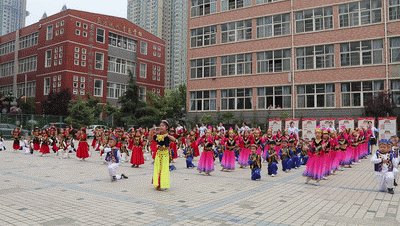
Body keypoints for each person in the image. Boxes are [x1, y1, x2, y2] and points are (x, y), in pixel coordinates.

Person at [150, 120, 176, 191]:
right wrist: (151, 132)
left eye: (163, 126)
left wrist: (168, 135)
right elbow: (151, 140)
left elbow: (174, 140)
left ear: (167, 127)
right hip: (158, 154)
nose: (161, 127)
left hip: (165, 154)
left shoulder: (167, 136)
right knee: (157, 168)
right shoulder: (158, 135)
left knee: (164, 169)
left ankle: (163, 184)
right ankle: (157, 184)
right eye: (160, 125)